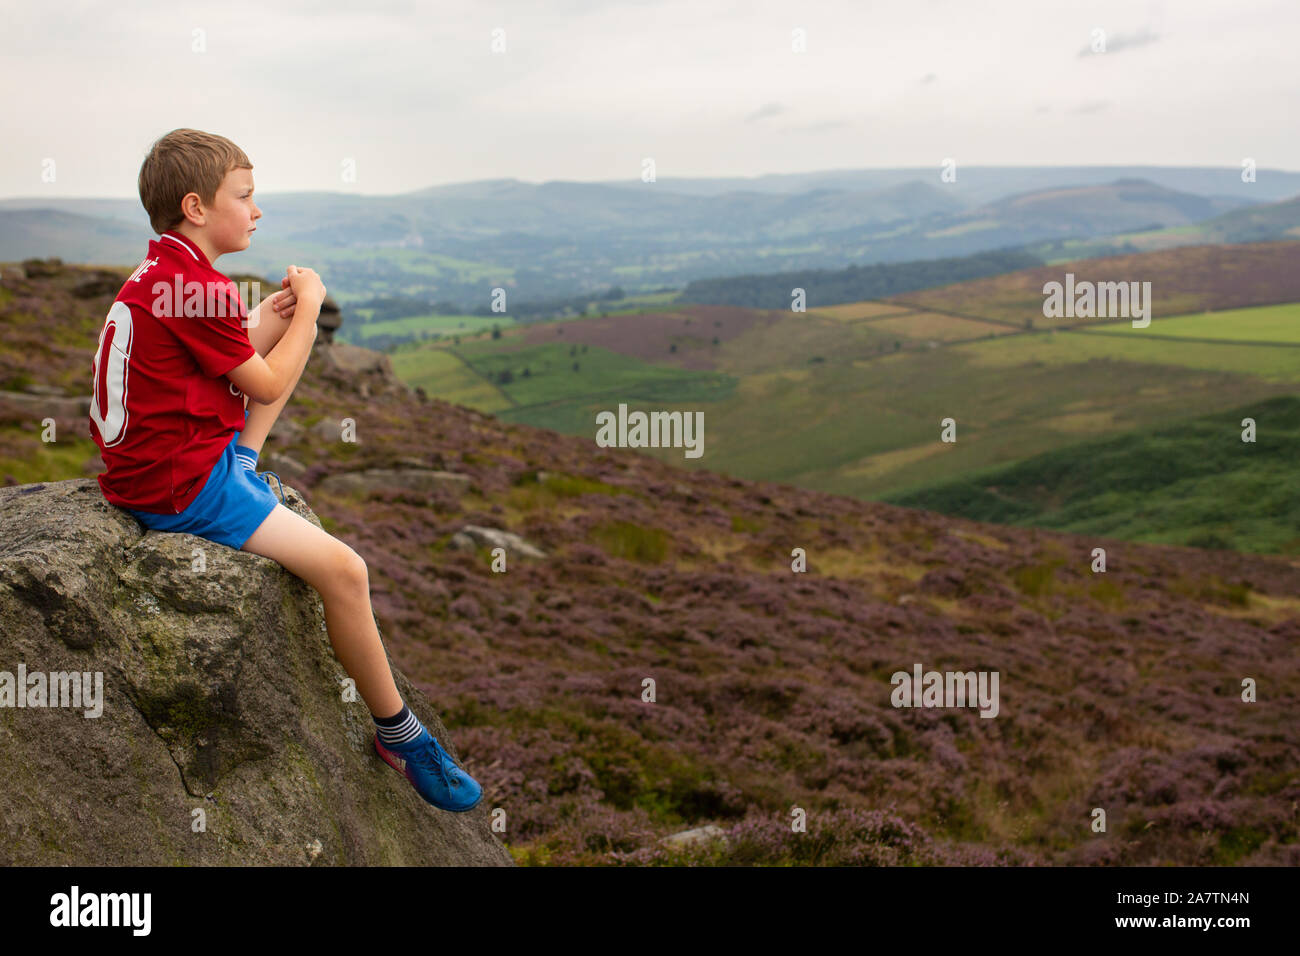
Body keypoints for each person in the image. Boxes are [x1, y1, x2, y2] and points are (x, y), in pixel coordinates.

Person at [88, 128, 481, 813]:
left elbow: (210, 358)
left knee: (269, 353)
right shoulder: (200, 290)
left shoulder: (161, 272)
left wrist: (266, 318)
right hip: (181, 488)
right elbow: (265, 384)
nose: (257, 210)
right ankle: (401, 735)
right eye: (245, 196)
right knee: (346, 572)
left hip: (151, 466)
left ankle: (242, 458)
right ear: (196, 207)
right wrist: (311, 306)